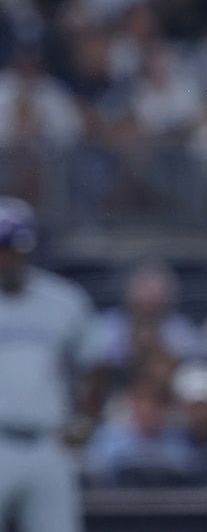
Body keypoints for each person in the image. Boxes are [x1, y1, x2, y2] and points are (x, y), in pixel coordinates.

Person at [0, 197, 106, 532]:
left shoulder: (62, 300)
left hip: (48, 442)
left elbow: (97, 363)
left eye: (15, 248)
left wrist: (87, 421)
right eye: (2, 248)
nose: (8, 258)